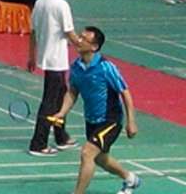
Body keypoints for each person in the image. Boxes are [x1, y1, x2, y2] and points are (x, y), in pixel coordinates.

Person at [52, 27, 141, 194]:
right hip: (91, 120)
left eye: (83, 39)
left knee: (87, 153)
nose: (78, 40)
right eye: (79, 37)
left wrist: (131, 122)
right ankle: (130, 178)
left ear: (94, 46)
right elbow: (72, 92)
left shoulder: (106, 67)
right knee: (101, 159)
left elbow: (125, 93)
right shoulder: (76, 66)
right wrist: (62, 113)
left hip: (110, 119)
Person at [28, 0, 83, 156]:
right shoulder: (61, 5)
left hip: (47, 57)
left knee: (61, 98)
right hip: (56, 60)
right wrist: (84, 46)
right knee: (50, 102)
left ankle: (61, 136)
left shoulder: (40, 1)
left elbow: (32, 31)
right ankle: (38, 143)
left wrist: (31, 56)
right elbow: (70, 33)